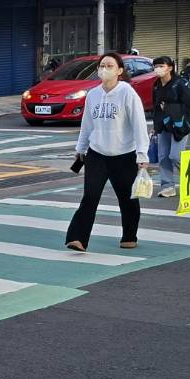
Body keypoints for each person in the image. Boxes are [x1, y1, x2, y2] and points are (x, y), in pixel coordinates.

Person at [65, 53, 150, 252]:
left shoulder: (127, 93)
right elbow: (87, 124)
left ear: (119, 71)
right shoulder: (93, 94)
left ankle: (129, 235)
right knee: (90, 196)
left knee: (127, 198)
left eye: (109, 65)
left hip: (124, 154)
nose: (104, 69)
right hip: (97, 154)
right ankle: (77, 238)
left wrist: (142, 155)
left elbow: (139, 125)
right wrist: (81, 149)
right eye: (102, 65)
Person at [149, 55, 190, 198]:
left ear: (170, 68)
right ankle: (167, 186)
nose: (158, 69)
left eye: (161, 66)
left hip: (179, 126)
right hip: (163, 125)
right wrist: (155, 125)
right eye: (156, 66)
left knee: (175, 156)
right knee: (163, 156)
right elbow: (156, 107)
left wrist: (170, 108)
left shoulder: (179, 84)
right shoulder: (156, 85)